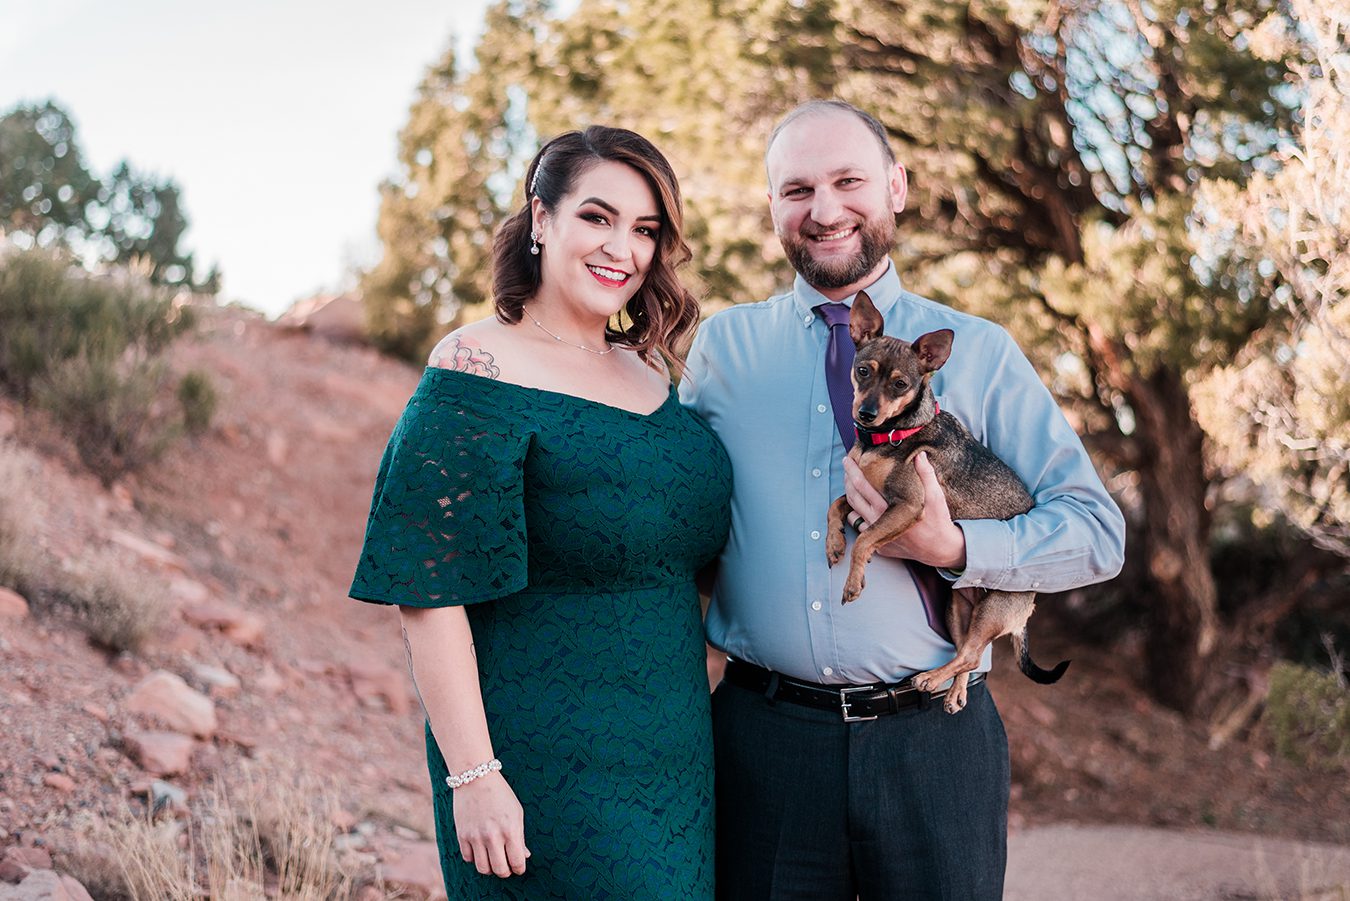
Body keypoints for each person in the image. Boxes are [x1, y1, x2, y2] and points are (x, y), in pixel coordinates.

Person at [679, 99, 1126, 900]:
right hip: (761, 743)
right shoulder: (723, 350)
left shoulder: (980, 351)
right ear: (772, 204)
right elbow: (674, 521)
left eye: (849, 181)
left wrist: (958, 552)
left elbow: (1097, 532)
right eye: (796, 190)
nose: (824, 211)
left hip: (935, 747)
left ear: (896, 186)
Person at [349, 125, 731, 899]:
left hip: (676, 758)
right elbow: (428, 592)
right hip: (540, 767)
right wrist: (475, 776)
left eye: (645, 229)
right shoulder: (476, 367)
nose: (621, 247)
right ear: (542, 218)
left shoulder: (651, 369)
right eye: (598, 217)